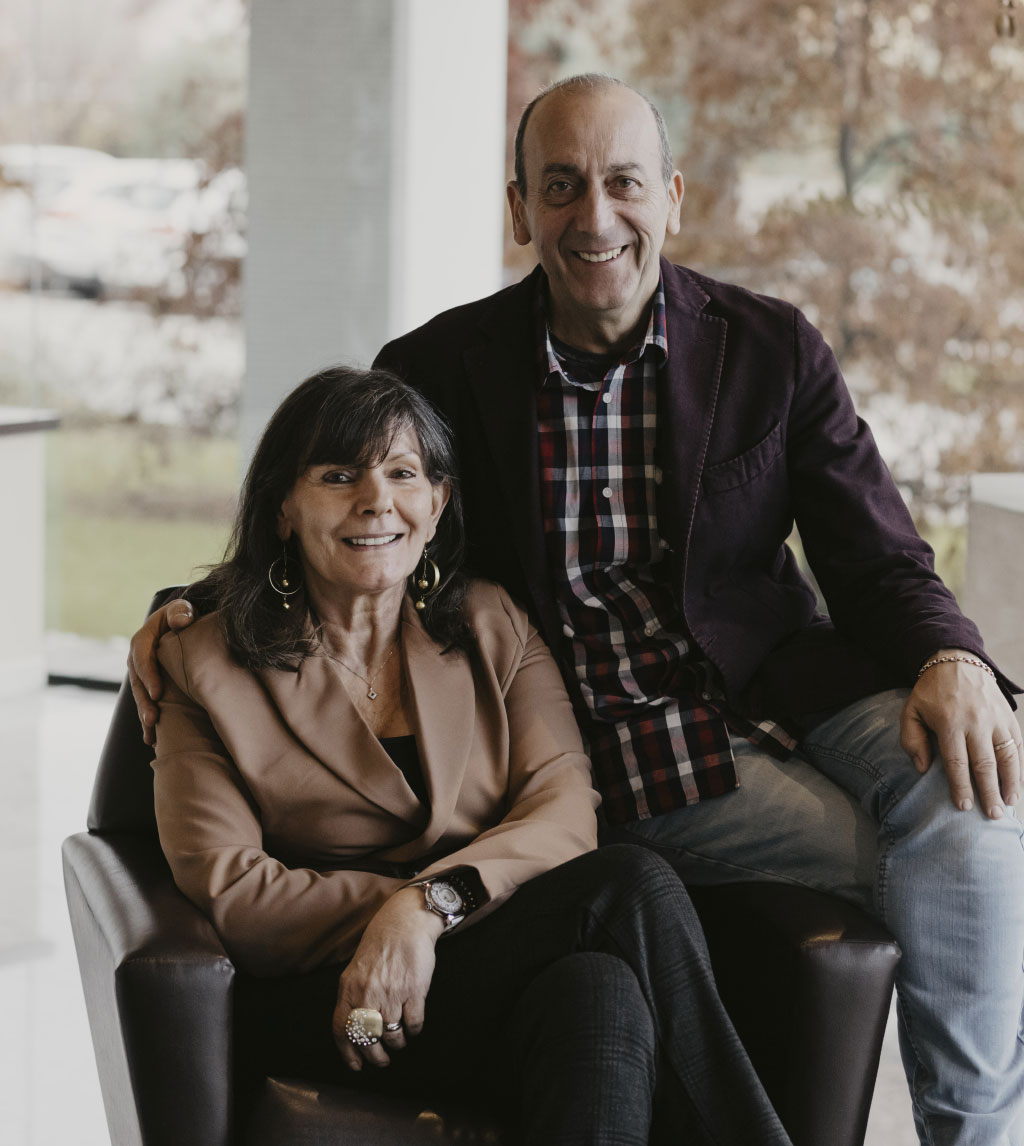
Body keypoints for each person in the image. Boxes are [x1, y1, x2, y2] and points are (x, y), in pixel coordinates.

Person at [131, 76, 1024, 1144]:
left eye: (623, 184)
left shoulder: (771, 348)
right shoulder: (437, 369)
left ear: (672, 197)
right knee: (962, 866)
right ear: (520, 210)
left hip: (785, 694)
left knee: (976, 794)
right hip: (622, 750)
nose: (595, 217)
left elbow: (880, 558)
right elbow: (351, 511)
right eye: (560, 187)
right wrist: (191, 609)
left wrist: (952, 659)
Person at [147, 364, 792, 1145]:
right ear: (283, 507)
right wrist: (393, 922)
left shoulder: (492, 625)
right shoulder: (203, 664)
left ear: (437, 503)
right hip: (336, 1004)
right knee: (628, 883)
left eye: (402, 474)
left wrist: (425, 909)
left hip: (480, 972)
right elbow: (235, 892)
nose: (376, 500)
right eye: (338, 475)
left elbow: (563, 814)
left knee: (598, 990)